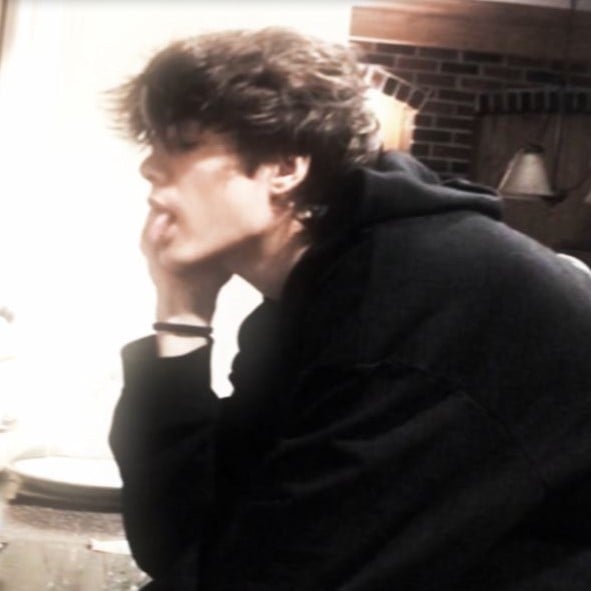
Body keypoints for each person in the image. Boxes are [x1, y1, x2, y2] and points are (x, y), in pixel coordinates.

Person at [108, 26, 591, 591]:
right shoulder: (317, 299)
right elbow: (179, 543)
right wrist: (181, 309)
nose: (149, 167)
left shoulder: (414, 301)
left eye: (183, 144)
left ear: (285, 167)